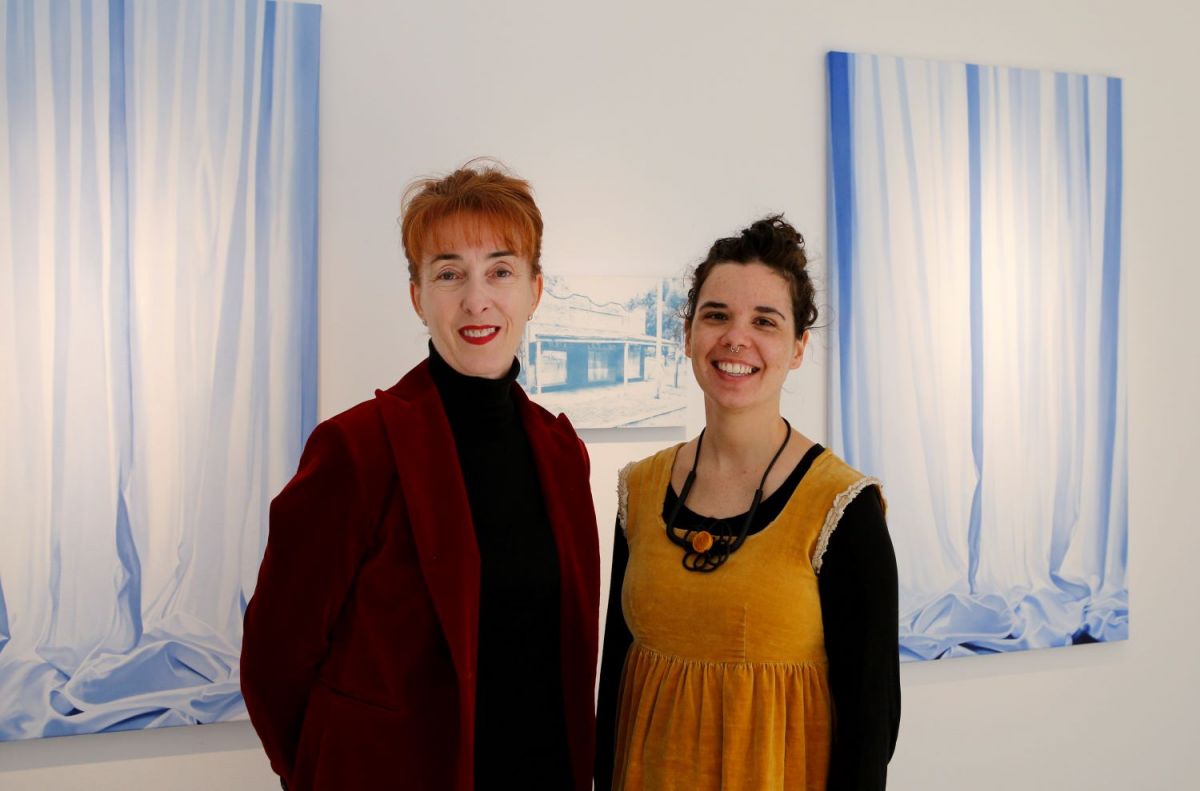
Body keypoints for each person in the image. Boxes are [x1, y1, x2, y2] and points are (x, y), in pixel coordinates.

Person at [241, 160, 600, 791]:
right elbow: (275, 661)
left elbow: (565, 655)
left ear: (535, 290)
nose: (476, 299)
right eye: (449, 273)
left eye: (500, 271)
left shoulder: (561, 450)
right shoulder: (356, 447)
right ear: (417, 295)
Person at [594, 215, 900, 790]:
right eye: (717, 316)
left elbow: (871, 727)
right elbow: (615, 681)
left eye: (765, 321)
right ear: (687, 333)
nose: (737, 338)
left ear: (798, 347)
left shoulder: (842, 506)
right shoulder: (637, 491)